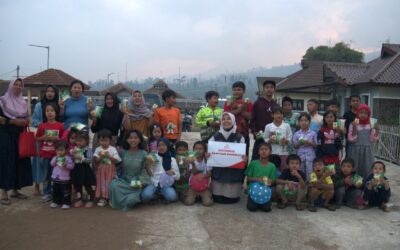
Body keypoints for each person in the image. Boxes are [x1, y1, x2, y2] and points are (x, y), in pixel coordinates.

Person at [0, 78, 32, 205]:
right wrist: (13, 121)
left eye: (20, 85)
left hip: (20, 136)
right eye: (15, 85)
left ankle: (15, 190)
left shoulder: (23, 102)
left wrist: (26, 121)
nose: (18, 87)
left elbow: (26, 116)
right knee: (6, 162)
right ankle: (4, 192)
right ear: (10, 86)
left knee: (19, 161)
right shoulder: (2, 101)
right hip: (6, 136)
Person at [108, 129, 151, 211]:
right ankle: (116, 201)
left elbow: (145, 170)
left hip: (136, 183)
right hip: (125, 181)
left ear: (140, 140)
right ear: (127, 140)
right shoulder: (123, 152)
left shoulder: (144, 154)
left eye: (136, 138)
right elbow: (116, 163)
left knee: (131, 201)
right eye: (130, 138)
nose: (133, 140)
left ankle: (132, 198)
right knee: (113, 184)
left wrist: (141, 182)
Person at [209, 112, 247, 204]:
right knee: (217, 198)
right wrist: (208, 155)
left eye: (228, 119)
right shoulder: (214, 137)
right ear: (221, 121)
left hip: (233, 171)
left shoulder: (239, 137)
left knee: (232, 199)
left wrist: (244, 158)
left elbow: (242, 155)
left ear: (233, 121)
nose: (226, 121)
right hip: (219, 170)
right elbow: (210, 153)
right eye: (223, 119)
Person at [31, 85, 60, 196]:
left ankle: (51, 187)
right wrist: (45, 127)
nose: (50, 93)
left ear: (55, 93)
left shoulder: (59, 104)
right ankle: (37, 185)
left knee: (53, 163)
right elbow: (34, 121)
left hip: (55, 140)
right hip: (42, 137)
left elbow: (61, 120)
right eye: (48, 91)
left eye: (52, 91)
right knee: (38, 162)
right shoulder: (39, 105)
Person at [35, 103, 64, 202]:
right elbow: (37, 138)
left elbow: (63, 140)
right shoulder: (42, 126)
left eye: (52, 111)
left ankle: (56, 192)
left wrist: (58, 139)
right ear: (45, 113)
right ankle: (46, 193)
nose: (50, 113)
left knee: (57, 174)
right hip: (45, 155)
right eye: (47, 111)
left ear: (56, 113)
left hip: (57, 155)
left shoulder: (60, 126)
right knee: (46, 174)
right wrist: (42, 138)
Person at [141, 138, 180, 203]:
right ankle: (157, 196)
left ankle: (162, 194)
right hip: (154, 183)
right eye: (159, 145)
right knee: (145, 196)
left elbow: (178, 177)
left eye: (164, 145)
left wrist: (172, 173)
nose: (161, 147)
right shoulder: (153, 157)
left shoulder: (172, 159)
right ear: (157, 147)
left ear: (167, 146)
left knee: (172, 196)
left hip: (166, 184)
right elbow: (150, 174)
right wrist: (148, 166)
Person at [250, 80, 279, 160]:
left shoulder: (276, 105)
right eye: (267, 87)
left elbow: (278, 121)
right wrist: (254, 132)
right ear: (263, 89)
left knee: (271, 160)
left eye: (271, 87)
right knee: (256, 159)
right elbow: (253, 119)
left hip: (272, 138)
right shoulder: (257, 103)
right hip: (260, 137)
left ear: (274, 89)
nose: (269, 89)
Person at [347, 104, 379, 178]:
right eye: (361, 112)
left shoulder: (370, 124)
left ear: (368, 114)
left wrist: (376, 130)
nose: (363, 115)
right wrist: (355, 128)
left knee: (367, 167)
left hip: (367, 150)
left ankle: (366, 184)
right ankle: (354, 184)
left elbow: (373, 139)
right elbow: (351, 139)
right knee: (355, 167)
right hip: (355, 150)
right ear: (358, 113)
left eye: (365, 113)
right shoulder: (353, 124)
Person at [93, 129, 122, 207]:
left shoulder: (112, 149)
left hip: (110, 169)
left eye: (106, 140)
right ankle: (103, 198)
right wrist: (101, 157)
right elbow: (95, 160)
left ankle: (110, 198)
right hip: (101, 170)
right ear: (99, 140)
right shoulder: (98, 149)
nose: (104, 143)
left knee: (110, 183)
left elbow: (117, 159)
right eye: (102, 140)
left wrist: (109, 156)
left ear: (110, 140)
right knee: (102, 183)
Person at [245, 142, 276, 212]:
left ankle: (264, 203)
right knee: (252, 208)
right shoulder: (253, 163)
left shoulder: (272, 166)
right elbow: (248, 179)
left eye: (266, 149)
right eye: (261, 149)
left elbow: (273, 181)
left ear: (270, 152)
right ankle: (251, 198)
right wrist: (257, 179)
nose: (264, 151)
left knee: (266, 209)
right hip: (254, 190)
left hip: (266, 191)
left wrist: (269, 181)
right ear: (258, 152)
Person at [224, 81, 253, 156]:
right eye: (234, 89)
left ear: (244, 91)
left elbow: (250, 117)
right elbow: (227, 116)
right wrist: (241, 109)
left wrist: (236, 108)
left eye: (239, 89)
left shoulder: (248, 102)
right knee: (230, 154)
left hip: (244, 133)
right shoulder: (228, 102)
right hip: (230, 133)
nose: (236, 92)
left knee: (243, 155)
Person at [70, 131, 96, 208]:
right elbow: (71, 159)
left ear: (86, 141)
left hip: (85, 170)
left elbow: (90, 160)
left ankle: (91, 200)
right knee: (77, 185)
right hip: (77, 170)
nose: (78, 143)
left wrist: (81, 157)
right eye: (77, 141)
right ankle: (79, 199)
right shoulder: (75, 149)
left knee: (87, 185)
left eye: (81, 141)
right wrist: (72, 155)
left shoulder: (88, 149)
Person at [263, 107, 292, 171]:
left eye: (281, 114)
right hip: (272, 152)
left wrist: (286, 141)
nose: (279, 115)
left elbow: (290, 138)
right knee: (272, 170)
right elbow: (265, 139)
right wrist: (270, 141)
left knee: (283, 170)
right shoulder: (268, 126)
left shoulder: (287, 126)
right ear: (272, 115)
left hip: (284, 153)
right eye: (276, 114)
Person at [185, 141, 213, 206]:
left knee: (208, 203)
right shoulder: (191, 159)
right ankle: (195, 196)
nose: (198, 151)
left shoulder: (207, 160)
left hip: (204, 188)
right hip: (193, 187)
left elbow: (210, 174)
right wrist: (193, 164)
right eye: (196, 149)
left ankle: (202, 196)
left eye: (200, 149)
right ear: (193, 150)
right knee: (189, 202)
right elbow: (194, 173)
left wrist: (204, 176)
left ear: (204, 150)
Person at [292, 113, 317, 180]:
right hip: (300, 156)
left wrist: (309, 143)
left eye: (306, 120)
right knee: (301, 172)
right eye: (301, 120)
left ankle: (310, 187)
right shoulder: (296, 134)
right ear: (299, 122)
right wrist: (300, 143)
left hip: (310, 156)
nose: (304, 122)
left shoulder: (313, 133)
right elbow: (295, 146)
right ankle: (302, 187)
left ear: (309, 122)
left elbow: (316, 145)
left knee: (310, 173)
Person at [49, 141, 74, 209]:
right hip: (56, 178)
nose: (59, 152)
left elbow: (72, 166)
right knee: (56, 191)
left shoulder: (67, 158)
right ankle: (56, 202)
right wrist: (56, 159)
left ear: (66, 150)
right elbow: (51, 164)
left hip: (65, 179)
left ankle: (66, 203)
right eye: (57, 150)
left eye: (61, 150)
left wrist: (66, 165)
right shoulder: (55, 157)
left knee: (65, 191)